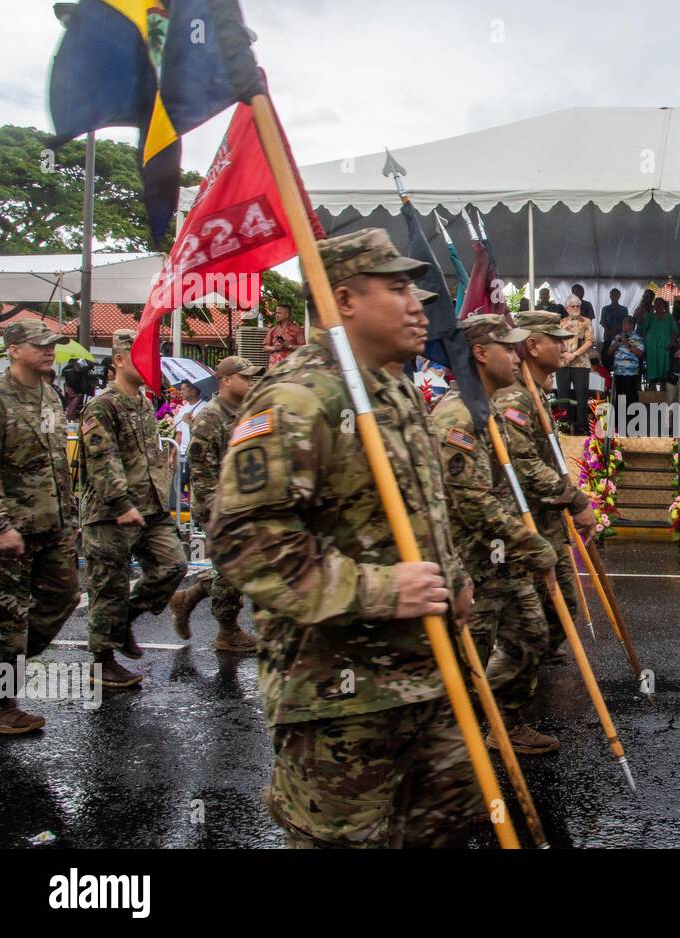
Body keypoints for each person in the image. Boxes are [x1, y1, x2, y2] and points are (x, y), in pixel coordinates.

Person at [208, 229, 477, 848]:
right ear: (345, 300)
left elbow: (422, 512)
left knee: (444, 827)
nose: (418, 303)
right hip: (340, 696)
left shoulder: (393, 387)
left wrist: (454, 581)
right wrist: (379, 590)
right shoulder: (303, 395)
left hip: (425, 676)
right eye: (398, 287)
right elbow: (245, 538)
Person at [432, 314, 560, 754]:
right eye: (508, 347)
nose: (516, 354)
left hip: (504, 555)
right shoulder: (458, 416)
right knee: (467, 657)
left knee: (531, 632)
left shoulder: (489, 408)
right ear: (480, 354)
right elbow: (473, 505)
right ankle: (452, 746)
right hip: (472, 559)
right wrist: (534, 543)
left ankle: (504, 721)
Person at [79, 330, 189, 690]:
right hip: (111, 513)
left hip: (150, 507)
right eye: (140, 356)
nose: (150, 364)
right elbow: (102, 459)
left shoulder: (143, 403)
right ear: (119, 361)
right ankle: (103, 661)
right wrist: (121, 502)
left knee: (173, 566)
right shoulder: (102, 405)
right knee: (108, 585)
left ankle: (127, 618)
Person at [493, 311, 598, 661]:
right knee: (528, 619)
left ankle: (533, 661)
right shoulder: (515, 397)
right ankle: (514, 678)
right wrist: (575, 500)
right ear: (533, 346)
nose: (565, 344)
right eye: (556, 339)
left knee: (563, 603)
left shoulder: (535, 393)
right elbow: (524, 465)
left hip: (546, 519)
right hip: (523, 521)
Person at [0, 322, 79, 733]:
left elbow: (57, 462)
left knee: (65, 595)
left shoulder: (49, 393)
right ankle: (3, 704)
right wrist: (1, 526)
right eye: (40, 345)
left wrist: (70, 516)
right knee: (10, 618)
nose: (50, 351)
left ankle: (4, 672)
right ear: (13, 350)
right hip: (14, 528)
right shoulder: (0, 397)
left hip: (53, 522)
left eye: (52, 345)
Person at [168, 356, 263, 652]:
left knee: (240, 566)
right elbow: (201, 471)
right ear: (225, 380)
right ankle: (227, 631)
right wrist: (217, 510)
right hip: (219, 506)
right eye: (244, 377)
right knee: (233, 569)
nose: (250, 383)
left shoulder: (247, 412)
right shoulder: (211, 417)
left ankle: (189, 598)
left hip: (244, 502)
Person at [556, 295, 595, 432]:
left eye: (578, 305)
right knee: (563, 397)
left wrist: (575, 354)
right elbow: (555, 342)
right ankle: (563, 427)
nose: (576, 308)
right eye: (573, 306)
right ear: (567, 308)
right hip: (563, 363)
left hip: (581, 364)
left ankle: (582, 428)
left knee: (582, 396)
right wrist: (565, 353)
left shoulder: (586, 321)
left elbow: (590, 341)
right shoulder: (560, 323)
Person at [641, 297, 678, 388]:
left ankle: (664, 389)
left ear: (663, 305)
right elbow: (644, 327)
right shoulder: (651, 316)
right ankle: (652, 390)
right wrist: (650, 312)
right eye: (656, 304)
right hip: (651, 346)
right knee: (652, 365)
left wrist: (671, 343)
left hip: (664, 346)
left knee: (664, 366)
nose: (658, 306)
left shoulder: (669, 317)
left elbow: (675, 331)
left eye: (660, 304)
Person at [609, 315, 644, 410]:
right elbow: (609, 351)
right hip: (618, 372)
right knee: (619, 396)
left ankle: (634, 419)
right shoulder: (617, 336)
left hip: (630, 373)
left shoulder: (637, 338)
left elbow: (640, 353)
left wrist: (627, 344)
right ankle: (618, 420)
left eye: (625, 323)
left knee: (631, 396)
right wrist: (617, 343)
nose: (623, 325)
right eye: (623, 322)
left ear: (631, 325)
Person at [263, 304, 305, 369]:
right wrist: (275, 348)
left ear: (287, 314)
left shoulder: (297, 330)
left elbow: (303, 347)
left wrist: (290, 346)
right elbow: (265, 347)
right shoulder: (273, 330)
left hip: (290, 367)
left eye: (279, 313)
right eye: (276, 313)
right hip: (273, 367)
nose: (276, 315)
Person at [599, 288, 629, 362]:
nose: (614, 296)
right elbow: (602, 321)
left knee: (620, 356)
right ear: (610, 296)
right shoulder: (605, 309)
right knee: (607, 357)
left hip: (620, 336)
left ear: (619, 296)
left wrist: (618, 329)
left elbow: (626, 322)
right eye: (612, 295)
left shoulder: (624, 309)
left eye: (616, 295)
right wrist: (608, 330)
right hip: (608, 335)